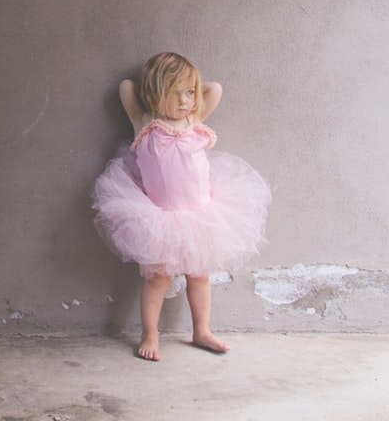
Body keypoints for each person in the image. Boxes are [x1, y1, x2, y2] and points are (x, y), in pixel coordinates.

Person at [92, 52, 271, 361]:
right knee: (157, 278)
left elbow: (213, 88)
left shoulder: (194, 121)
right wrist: (153, 92)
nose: (185, 101)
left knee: (200, 276)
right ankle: (150, 334)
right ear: (154, 94)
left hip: (201, 216)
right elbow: (126, 87)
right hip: (160, 220)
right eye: (175, 94)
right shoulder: (145, 123)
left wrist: (189, 87)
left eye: (189, 92)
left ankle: (201, 330)